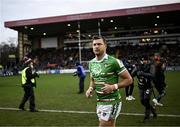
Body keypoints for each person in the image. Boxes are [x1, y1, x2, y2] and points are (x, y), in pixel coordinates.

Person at [85, 36, 133, 127]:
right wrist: (90, 88)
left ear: (105, 46)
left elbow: (129, 80)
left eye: (99, 44)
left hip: (112, 102)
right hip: (100, 102)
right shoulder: (91, 63)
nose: (96, 46)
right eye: (94, 44)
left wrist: (112, 87)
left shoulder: (114, 62)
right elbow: (93, 79)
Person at [132, 56, 157, 123]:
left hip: (148, 86)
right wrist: (135, 70)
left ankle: (147, 117)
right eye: (142, 60)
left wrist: (143, 73)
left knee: (146, 100)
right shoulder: (139, 66)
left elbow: (152, 75)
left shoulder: (151, 66)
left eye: (145, 60)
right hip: (141, 87)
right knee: (142, 101)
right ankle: (152, 109)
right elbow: (132, 74)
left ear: (148, 60)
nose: (144, 62)